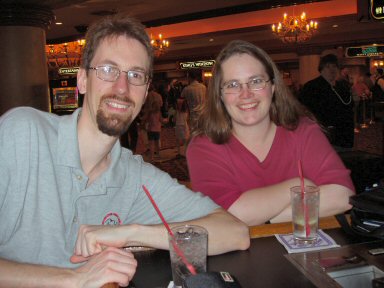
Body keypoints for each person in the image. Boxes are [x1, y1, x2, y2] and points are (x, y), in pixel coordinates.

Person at [0, 16, 250, 287]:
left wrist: (130, 233)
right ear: (82, 80)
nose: (122, 87)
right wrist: (74, 279)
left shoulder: (136, 177)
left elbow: (235, 232)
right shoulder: (22, 134)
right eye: (108, 70)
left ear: (144, 95)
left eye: (135, 75)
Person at [186, 40, 354, 226]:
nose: (246, 94)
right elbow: (224, 214)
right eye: (233, 85)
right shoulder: (204, 146)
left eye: (256, 81)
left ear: (273, 87)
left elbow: (342, 195)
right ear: (219, 95)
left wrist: (267, 220)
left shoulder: (302, 131)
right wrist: (298, 186)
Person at [299, 54, 354, 151]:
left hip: (344, 136)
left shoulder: (342, 87)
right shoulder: (311, 87)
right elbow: (305, 112)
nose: (332, 69)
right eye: (328, 66)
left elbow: (349, 107)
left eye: (334, 66)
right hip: (324, 137)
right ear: (321, 69)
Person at [141, 84, 163, 160]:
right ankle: (159, 154)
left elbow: (146, 114)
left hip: (151, 129)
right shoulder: (159, 96)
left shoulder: (147, 96)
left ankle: (151, 156)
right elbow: (161, 105)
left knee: (151, 143)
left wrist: (142, 122)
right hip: (157, 129)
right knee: (157, 142)